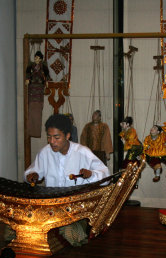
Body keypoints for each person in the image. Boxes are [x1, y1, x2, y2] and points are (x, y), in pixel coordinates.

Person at [24, 114, 110, 246]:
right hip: (51, 206)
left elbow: (106, 176)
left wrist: (91, 174)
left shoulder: (82, 152)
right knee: (19, 228)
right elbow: (32, 171)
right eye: (49, 137)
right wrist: (32, 175)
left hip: (75, 209)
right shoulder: (45, 153)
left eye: (56, 137)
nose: (52, 141)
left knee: (71, 234)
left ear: (68, 135)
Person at [25, 51, 50, 138]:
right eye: (35, 57)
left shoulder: (43, 67)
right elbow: (27, 72)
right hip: (32, 89)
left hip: (39, 89)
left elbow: (46, 74)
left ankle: (35, 131)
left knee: (37, 110)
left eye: (38, 58)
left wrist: (46, 81)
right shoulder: (31, 66)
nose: (36, 59)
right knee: (31, 109)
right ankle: (31, 130)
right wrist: (27, 79)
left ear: (41, 59)